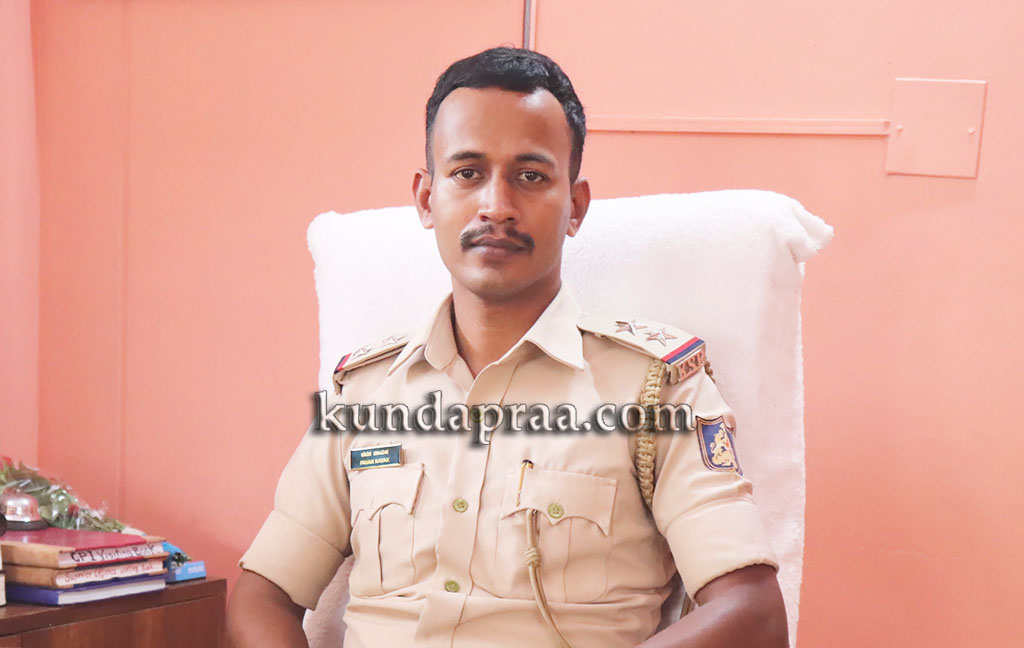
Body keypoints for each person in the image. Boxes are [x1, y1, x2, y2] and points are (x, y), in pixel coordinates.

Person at [227, 47, 787, 648]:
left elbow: (753, 615)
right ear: (426, 199)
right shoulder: (364, 394)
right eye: (468, 173)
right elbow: (261, 597)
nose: (496, 206)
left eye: (530, 176)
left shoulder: (655, 389)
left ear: (575, 206)